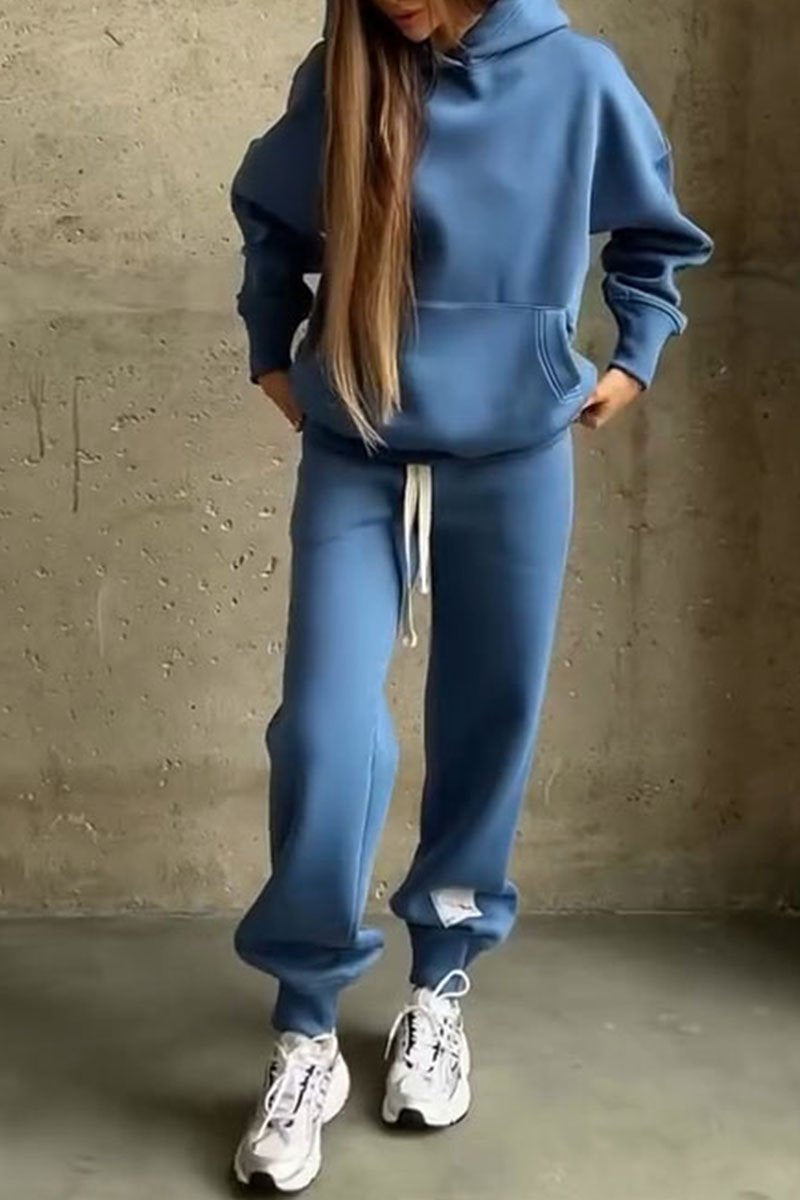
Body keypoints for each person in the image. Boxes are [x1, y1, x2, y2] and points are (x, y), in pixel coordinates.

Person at [228, 0, 712, 1190]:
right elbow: (270, 223)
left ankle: (437, 985)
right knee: (325, 735)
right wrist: (270, 352)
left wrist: (630, 357)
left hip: (514, 456)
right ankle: (306, 1026)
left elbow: (653, 237)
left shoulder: (577, 79)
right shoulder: (341, 71)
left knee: (487, 720)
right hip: (356, 443)